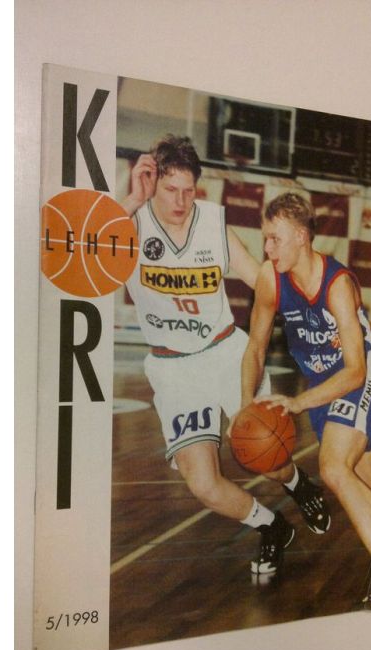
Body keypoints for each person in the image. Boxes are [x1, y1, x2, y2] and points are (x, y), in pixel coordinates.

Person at [120, 135, 331, 576]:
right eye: (170, 190)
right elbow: (86, 253)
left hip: (224, 354)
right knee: (203, 484)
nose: (181, 201)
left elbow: (261, 279)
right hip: (173, 368)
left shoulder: (213, 224)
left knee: (266, 455)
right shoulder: (130, 226)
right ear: (152, 183)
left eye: (189, 190)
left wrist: (319, 314)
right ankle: (271, 526)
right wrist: (131, 201)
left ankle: (298, 484)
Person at [236, 191, 371, 608]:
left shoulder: (337, 284)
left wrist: (299, 403)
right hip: (323, 384)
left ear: (301, 236)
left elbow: (355, 370)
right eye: (265, 238)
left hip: (358, 376)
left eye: (275, 239)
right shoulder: (271, 279)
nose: (267, 248)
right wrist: (247, 402)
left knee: (332, 468)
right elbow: (255, 348)